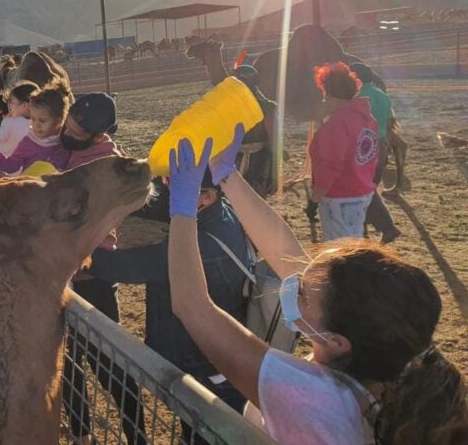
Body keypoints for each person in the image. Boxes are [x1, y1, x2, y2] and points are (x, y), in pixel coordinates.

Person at [165, 128, 468, 445]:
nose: (294, 282)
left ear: (337, 342)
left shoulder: (318, 403)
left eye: (302, 294)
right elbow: (288, 254)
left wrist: (183, 209)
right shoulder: (387, 361)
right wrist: (227, 176)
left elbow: (192, 308)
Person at [86, 168, 249, 442]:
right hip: (217, 351)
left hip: (201, 360)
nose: (169, 189)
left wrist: (75, 248)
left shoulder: (198, 245)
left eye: (180, 184)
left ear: (207, 197)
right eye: (169, 180)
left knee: (204, 428)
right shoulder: (224, 216)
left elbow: (120, 267)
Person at [58, 92, 147, 445]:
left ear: (98, 135)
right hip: (60, 276)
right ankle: (81, 433)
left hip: (92, 275)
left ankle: (136, 437)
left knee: (110, 366)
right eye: (68, 124)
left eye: (77, 132)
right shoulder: (64, 147)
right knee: (66, 362)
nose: (68, 132)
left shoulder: (107, 164)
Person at [307, 62, 378, 240]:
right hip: (361, 191)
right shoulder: (367, 119)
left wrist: (316, 197)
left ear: (330, 94)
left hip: (340, 196)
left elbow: (331, 164)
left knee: (339, 249)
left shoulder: (337, 123)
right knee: (354, 243)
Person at [349, 62, 401, 244]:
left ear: (355, 77)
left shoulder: (358, 98)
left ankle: (385, 227)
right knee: (369, 188)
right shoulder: (382, 96)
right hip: (382, 144)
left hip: (366, 146)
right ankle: (369, 230)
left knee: (363, 189)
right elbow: (389, 122)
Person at [0, 80, 71, 174]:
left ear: (58, 121)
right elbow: (11, 165)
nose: (36, 125)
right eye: (33, 119)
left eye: (42, 121)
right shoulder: (28, 142)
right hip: (31, 183)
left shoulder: (67, 141)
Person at [233, 64, 277, 197]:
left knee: (254, 195)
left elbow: (273, 140)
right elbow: (273, 140)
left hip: (256, 157)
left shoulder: (266, 107)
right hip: (239, 156)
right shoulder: (266, 107)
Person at [0, 80, 38, 155]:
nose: (8, 105)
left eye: (11, 102)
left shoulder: (12, 122)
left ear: (24, 105)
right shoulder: (38, 124)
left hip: (5, 161)